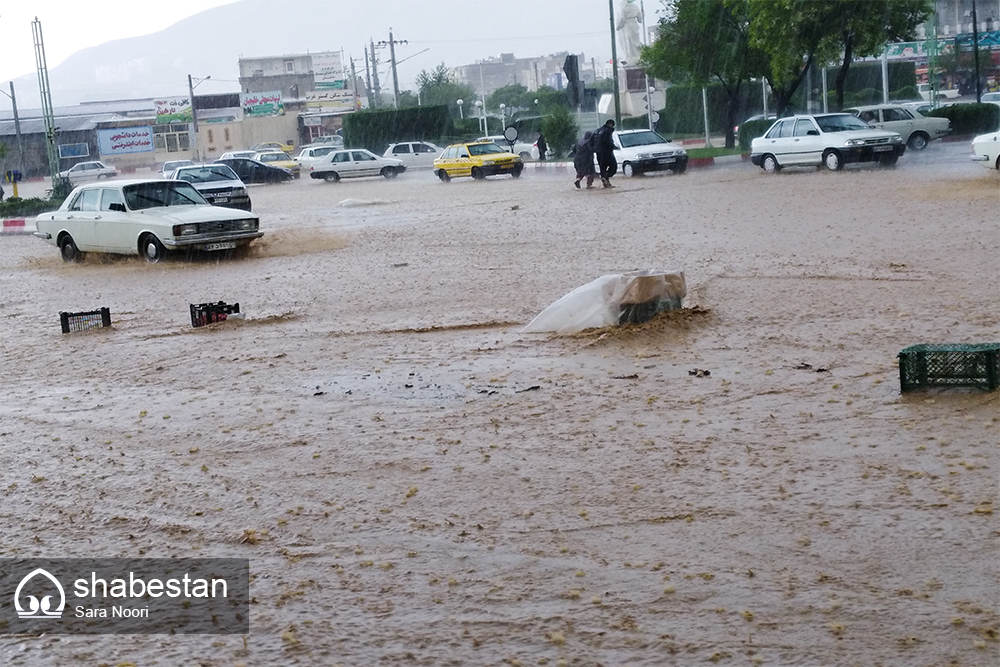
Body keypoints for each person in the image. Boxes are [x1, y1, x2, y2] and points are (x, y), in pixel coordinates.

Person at [592, 119, 617, 188]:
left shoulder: (597, 131)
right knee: (614, 167)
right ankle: (606, 177)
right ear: (611, 124)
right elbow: (607, 141)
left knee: (602, 168)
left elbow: (592, 141)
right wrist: (613, 146)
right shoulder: (607, 131)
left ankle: (606, 183)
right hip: (606, 152)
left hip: (598, 153)